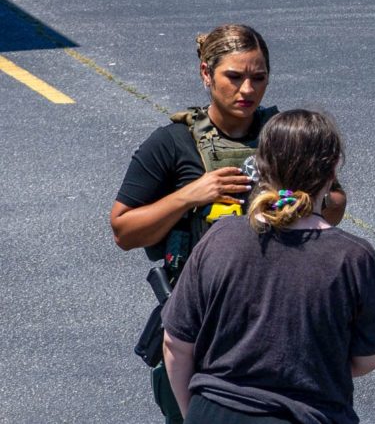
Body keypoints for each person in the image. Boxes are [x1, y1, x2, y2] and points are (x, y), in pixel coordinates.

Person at [110, 24, 346, 423]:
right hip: (202, 323)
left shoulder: (284, 135)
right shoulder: (172, 144)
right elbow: (124, 230)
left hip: (279, 316)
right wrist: (190, 195)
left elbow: (335, 203)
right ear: (206, 74)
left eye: (258, 78)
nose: (248, 91)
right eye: (234, 78)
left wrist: (283, 199)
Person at [161, 108, 375, 424]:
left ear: (260, 166)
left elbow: (175, 343)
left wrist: (195, 414)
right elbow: (371, 357)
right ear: (333, 169)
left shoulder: (220, 237)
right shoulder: (352, 257)